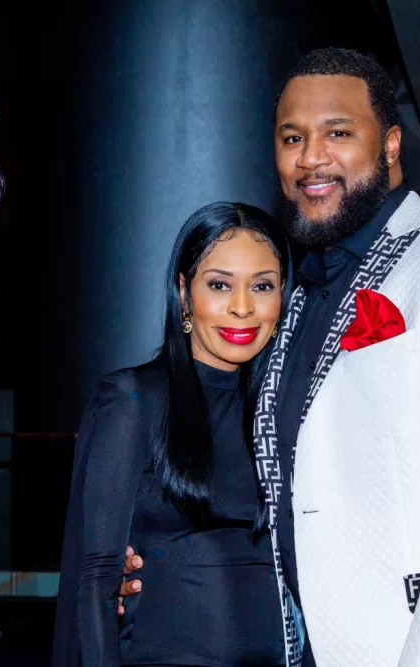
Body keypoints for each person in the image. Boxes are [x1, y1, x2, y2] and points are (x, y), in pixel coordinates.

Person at [119, 48, 420, 666]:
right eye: (292, 137)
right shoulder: (290, 294)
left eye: (338, 132)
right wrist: (155, 554)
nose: (312, 156)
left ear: (389, 144)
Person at [53, 202, 291, 666]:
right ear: (184, 292)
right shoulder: (131, 400)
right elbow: (97, 579)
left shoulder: (283, 413)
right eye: (219, 285)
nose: (242, 307)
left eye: (262, 286)